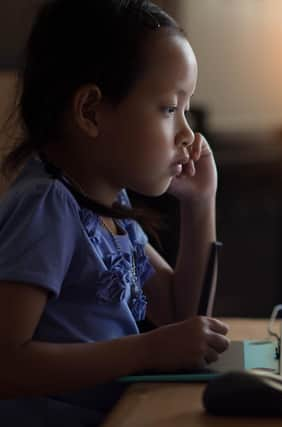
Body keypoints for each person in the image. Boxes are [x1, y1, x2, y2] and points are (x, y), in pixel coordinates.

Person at [0, 1, 230, 425]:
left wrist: (200, 204)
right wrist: (146, 350)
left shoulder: (109, 207)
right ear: (90, 112)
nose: (188, 133)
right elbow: (7, 364)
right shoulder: (47, 207)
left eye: (186, 109)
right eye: (168, 108)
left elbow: (182, 314)